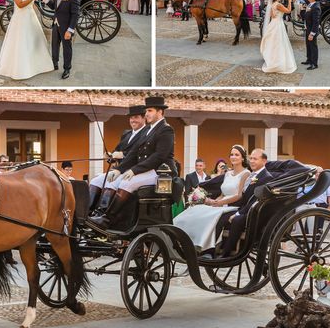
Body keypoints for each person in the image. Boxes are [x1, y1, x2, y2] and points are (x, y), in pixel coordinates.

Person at [87, 96, 175, 231]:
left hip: (159, 172)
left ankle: (107, 219)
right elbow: (134, 153)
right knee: (112, 181)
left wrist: (134, 170)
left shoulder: (166, 129)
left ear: (160, 112)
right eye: (146, 111)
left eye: (150, 111)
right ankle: (99, 213)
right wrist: (119, 170)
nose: (147, 114)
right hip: (145, 170)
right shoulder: (149, 130)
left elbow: (158, 156)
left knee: (126, 183)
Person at [174, 146, 251, 250]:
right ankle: (184, 240)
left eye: (237, 155)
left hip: (233, 206)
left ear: (243, 158)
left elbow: (239, 195)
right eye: (232, 154)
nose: (233, 157)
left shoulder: (246, 173)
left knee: (211, 215)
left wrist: (220, 203)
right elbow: (223, 194)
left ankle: (208, 249)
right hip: (221, 203)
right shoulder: (227, 174)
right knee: (196, 210)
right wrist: (213, 201)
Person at [0, 0, 54, 80]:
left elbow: (31, 5)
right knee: (21, 42)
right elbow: (20, 5)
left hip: (31, 17)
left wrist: (38, 9)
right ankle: (21, 67)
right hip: (20, 19)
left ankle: (35, 64)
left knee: (34, 40)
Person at [215, 149, 274, 257]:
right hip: (244, 207)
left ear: (264, 161)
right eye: (251, 158)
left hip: (255, 211)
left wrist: (238, 213)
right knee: (222, 215)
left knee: (237, 219)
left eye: (255, 159)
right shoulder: (252, 175)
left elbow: (255, 200)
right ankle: (215, 247)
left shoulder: (266, 177)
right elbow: (243, 196)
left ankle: (226, 253)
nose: (251, 161)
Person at [89, 105, 148, 211]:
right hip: (120, 170)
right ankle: (88, 211)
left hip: (134, 171)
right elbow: (117, 151)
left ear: (144, 118)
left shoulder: (147, 133)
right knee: (96, 181)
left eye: (136, 117)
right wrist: (110, 156)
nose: (133, 120)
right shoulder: (126, 134)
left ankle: (102, 214)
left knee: (111, 182)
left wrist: (122, 155)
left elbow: (138, 153)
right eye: (131, 118)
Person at [41, 0, 81, 80]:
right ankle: (55, 63)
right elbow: (54, 6)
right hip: (56, 24)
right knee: (54, 44)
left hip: (66, 27)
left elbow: (75, 14)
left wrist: (70, 30)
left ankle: (67, 68)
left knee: (67, 48)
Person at [260, 0, 297, 74]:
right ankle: (278, 62)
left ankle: (272, 58)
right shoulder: (278, 5)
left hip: (273, 23)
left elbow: (272, 16)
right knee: (279, 43)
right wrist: (290, 0)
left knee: (273, 43)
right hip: (278, 25)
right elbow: (288, 11)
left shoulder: (272, 4)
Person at [300, 0, 321, 70]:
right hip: (308, 28)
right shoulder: (311, 4)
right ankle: (309, 59)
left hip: (313, 29)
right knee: (308, 45)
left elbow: (316, 22)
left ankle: (314, 64)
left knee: (313, 46)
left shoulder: (316, 7)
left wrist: (312, 34)